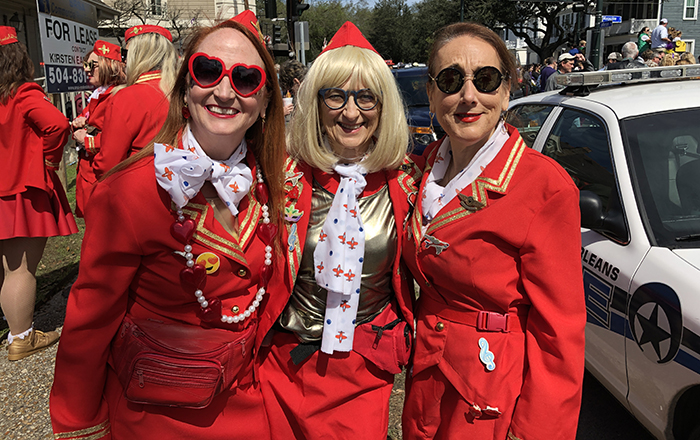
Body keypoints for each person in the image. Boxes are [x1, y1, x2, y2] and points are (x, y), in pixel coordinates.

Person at [50, 17, 289, 439]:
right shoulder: (128, 191)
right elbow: (89, 319)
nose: (224, 91)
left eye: (247, 78)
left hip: (252, 404)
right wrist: (80, 419)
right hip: (158, 416)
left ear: (267, 99)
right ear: (184, 85)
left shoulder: (274, 182)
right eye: (208, 71)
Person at [401, 22, 585, 440]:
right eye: (450, 80)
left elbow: (560, 331)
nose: (469, 96)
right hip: (428, 374)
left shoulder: (545, 186)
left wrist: (538, 431)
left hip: (491, 389)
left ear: (506, 91)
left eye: (485, 79)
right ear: (431, 94)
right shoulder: (424, 167)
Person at [258, 22, 418, 440]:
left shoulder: (409, 182)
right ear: (316, 103)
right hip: (283, 365)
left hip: (363, 368)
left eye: (366, 97)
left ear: (384, 107)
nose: (351, 113)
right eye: (336, 96)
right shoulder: (279, 176)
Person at [0, 26, 78, 361]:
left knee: (7, 268)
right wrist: (48, 157)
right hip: (21, 190)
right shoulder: (21, 93)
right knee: (20, 270)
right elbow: (57, 125)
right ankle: (21, 338)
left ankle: (14, 327)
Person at [92, 25, 177, 179]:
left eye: (125, 54)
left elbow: (108, 163)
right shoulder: (183, 91)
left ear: (137, 55)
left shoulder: (127, 96)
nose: (124, 60)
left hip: (138, 185)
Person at [72, 39, 126, 218]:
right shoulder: (100, 93)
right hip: (90, 172)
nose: (86, 69)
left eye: (91, 65)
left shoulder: (118, 95)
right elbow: (89, 117)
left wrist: (85, 139)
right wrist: (80, 120)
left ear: (107, 65)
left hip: (103, 174)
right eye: (85, 64)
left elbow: (117, 139)